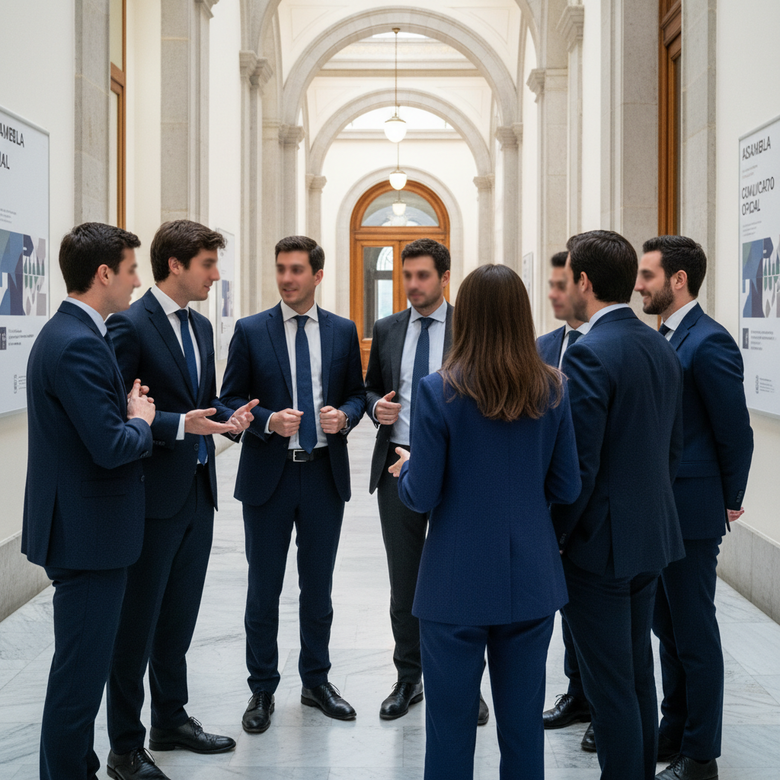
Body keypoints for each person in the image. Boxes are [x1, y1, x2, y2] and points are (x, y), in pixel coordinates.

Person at [391, 264, 581, 780]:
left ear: (466, 318)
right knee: (523, 731)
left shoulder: (438, 390)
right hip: (531, 578)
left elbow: (421, 495)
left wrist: (407, 468)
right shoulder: (553, 388)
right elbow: (566, 487)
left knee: (449, 732)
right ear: (522, 316)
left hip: (454, 581)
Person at [105, 221, 258, 779]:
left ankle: (171, 718)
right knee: (135, 628)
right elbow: (119, 407)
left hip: (197, 493)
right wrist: (176, 424)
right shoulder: (129, 325)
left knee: (178, 621)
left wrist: (230, 421)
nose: (216, 275)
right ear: (175, 265)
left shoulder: (200, 326)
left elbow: (204, 402)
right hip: (149, 499)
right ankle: (125, 745)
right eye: (207, 265)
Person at [21, 222, 156, 780]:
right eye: (130, 270)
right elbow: (111, 446)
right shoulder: (77, 342)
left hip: (87, 531)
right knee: (78, 682)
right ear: (104, 274)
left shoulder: (78, 333)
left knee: (81, 670)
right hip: (88, 538)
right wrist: (141, 421)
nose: (135, 282)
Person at [551, 229, 685, 780]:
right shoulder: (660, 343)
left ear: (584, 281)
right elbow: (670, 449)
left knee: (610, 690)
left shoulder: (589, 354)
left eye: (567, 281)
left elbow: (579, 468)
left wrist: (556, 534)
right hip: (649, 536)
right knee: (636, 676)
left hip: (599, 548)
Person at [220, 235, 366, 731]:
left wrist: (343, 417)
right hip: (269, 478)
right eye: (281, 268)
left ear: (317, 275)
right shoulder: (250, 330)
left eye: (297, 270)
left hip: (324, 475)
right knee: (263, 589)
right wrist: (264, 421)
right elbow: (227, 401)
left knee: (318, 589)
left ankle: (316, 682)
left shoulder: (343, 331)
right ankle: (261, 690)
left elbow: (357, 395)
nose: (286, 278)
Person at [635, 235, 753, 780]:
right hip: (662, 507)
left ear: (678, 280)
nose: (639, 285)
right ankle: (674, 728)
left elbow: (736, 432)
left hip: (694, 507)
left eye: (648, 276)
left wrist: (730, 499)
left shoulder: (710, 342)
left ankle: (700, 754)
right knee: (667, 627)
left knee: (695, 632)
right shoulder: (662, 337)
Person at [364, 238, 489, 724]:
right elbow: (371, 384)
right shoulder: (387, 328)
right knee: (406, 582)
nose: (412, 285)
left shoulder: (470, 328)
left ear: (443, 278)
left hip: (459, 473)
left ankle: (466, 684)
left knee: (462, 579)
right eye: (407, 276)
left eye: (422, 276)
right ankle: (408, 678)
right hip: (398, 467)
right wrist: (377, 408)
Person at [537, 250, 593, 746]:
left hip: (593, 505)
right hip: (549, 504)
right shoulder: (542, 346)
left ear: (583, 286)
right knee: (566, 608)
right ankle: (576, 692)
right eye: (550, 286)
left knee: (604, 621)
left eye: (560, 285)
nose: (553, 295)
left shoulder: (608, 346)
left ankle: (600, 704)